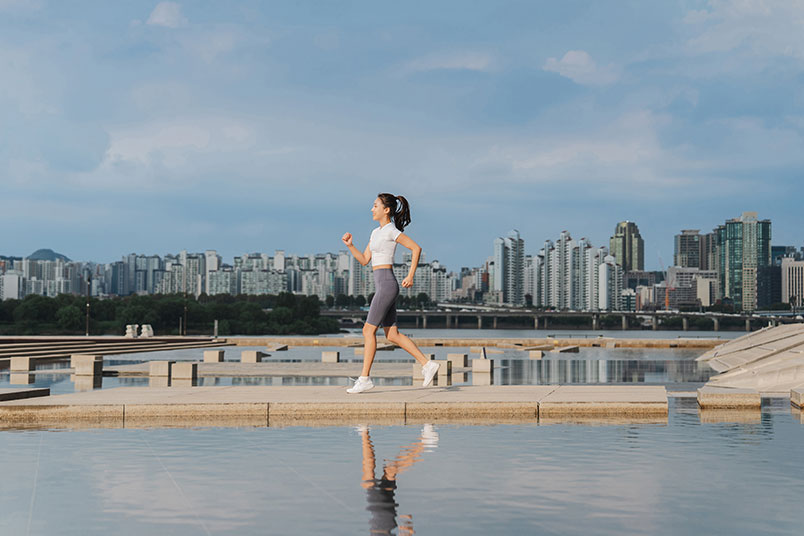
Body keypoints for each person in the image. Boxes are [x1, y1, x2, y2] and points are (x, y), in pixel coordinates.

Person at [341, 193, 440, 394]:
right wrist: (350, 246)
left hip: (387, 284)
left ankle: (365, 379)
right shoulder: (375, 233)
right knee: (391, 334)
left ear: (386, 210)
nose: (372, 209)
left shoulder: (390, 231)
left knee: (368, 331)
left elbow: (416, 248)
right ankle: (427, 364)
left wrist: (410, 276)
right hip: (383, 285)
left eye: (375, 205)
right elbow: (364, 259)